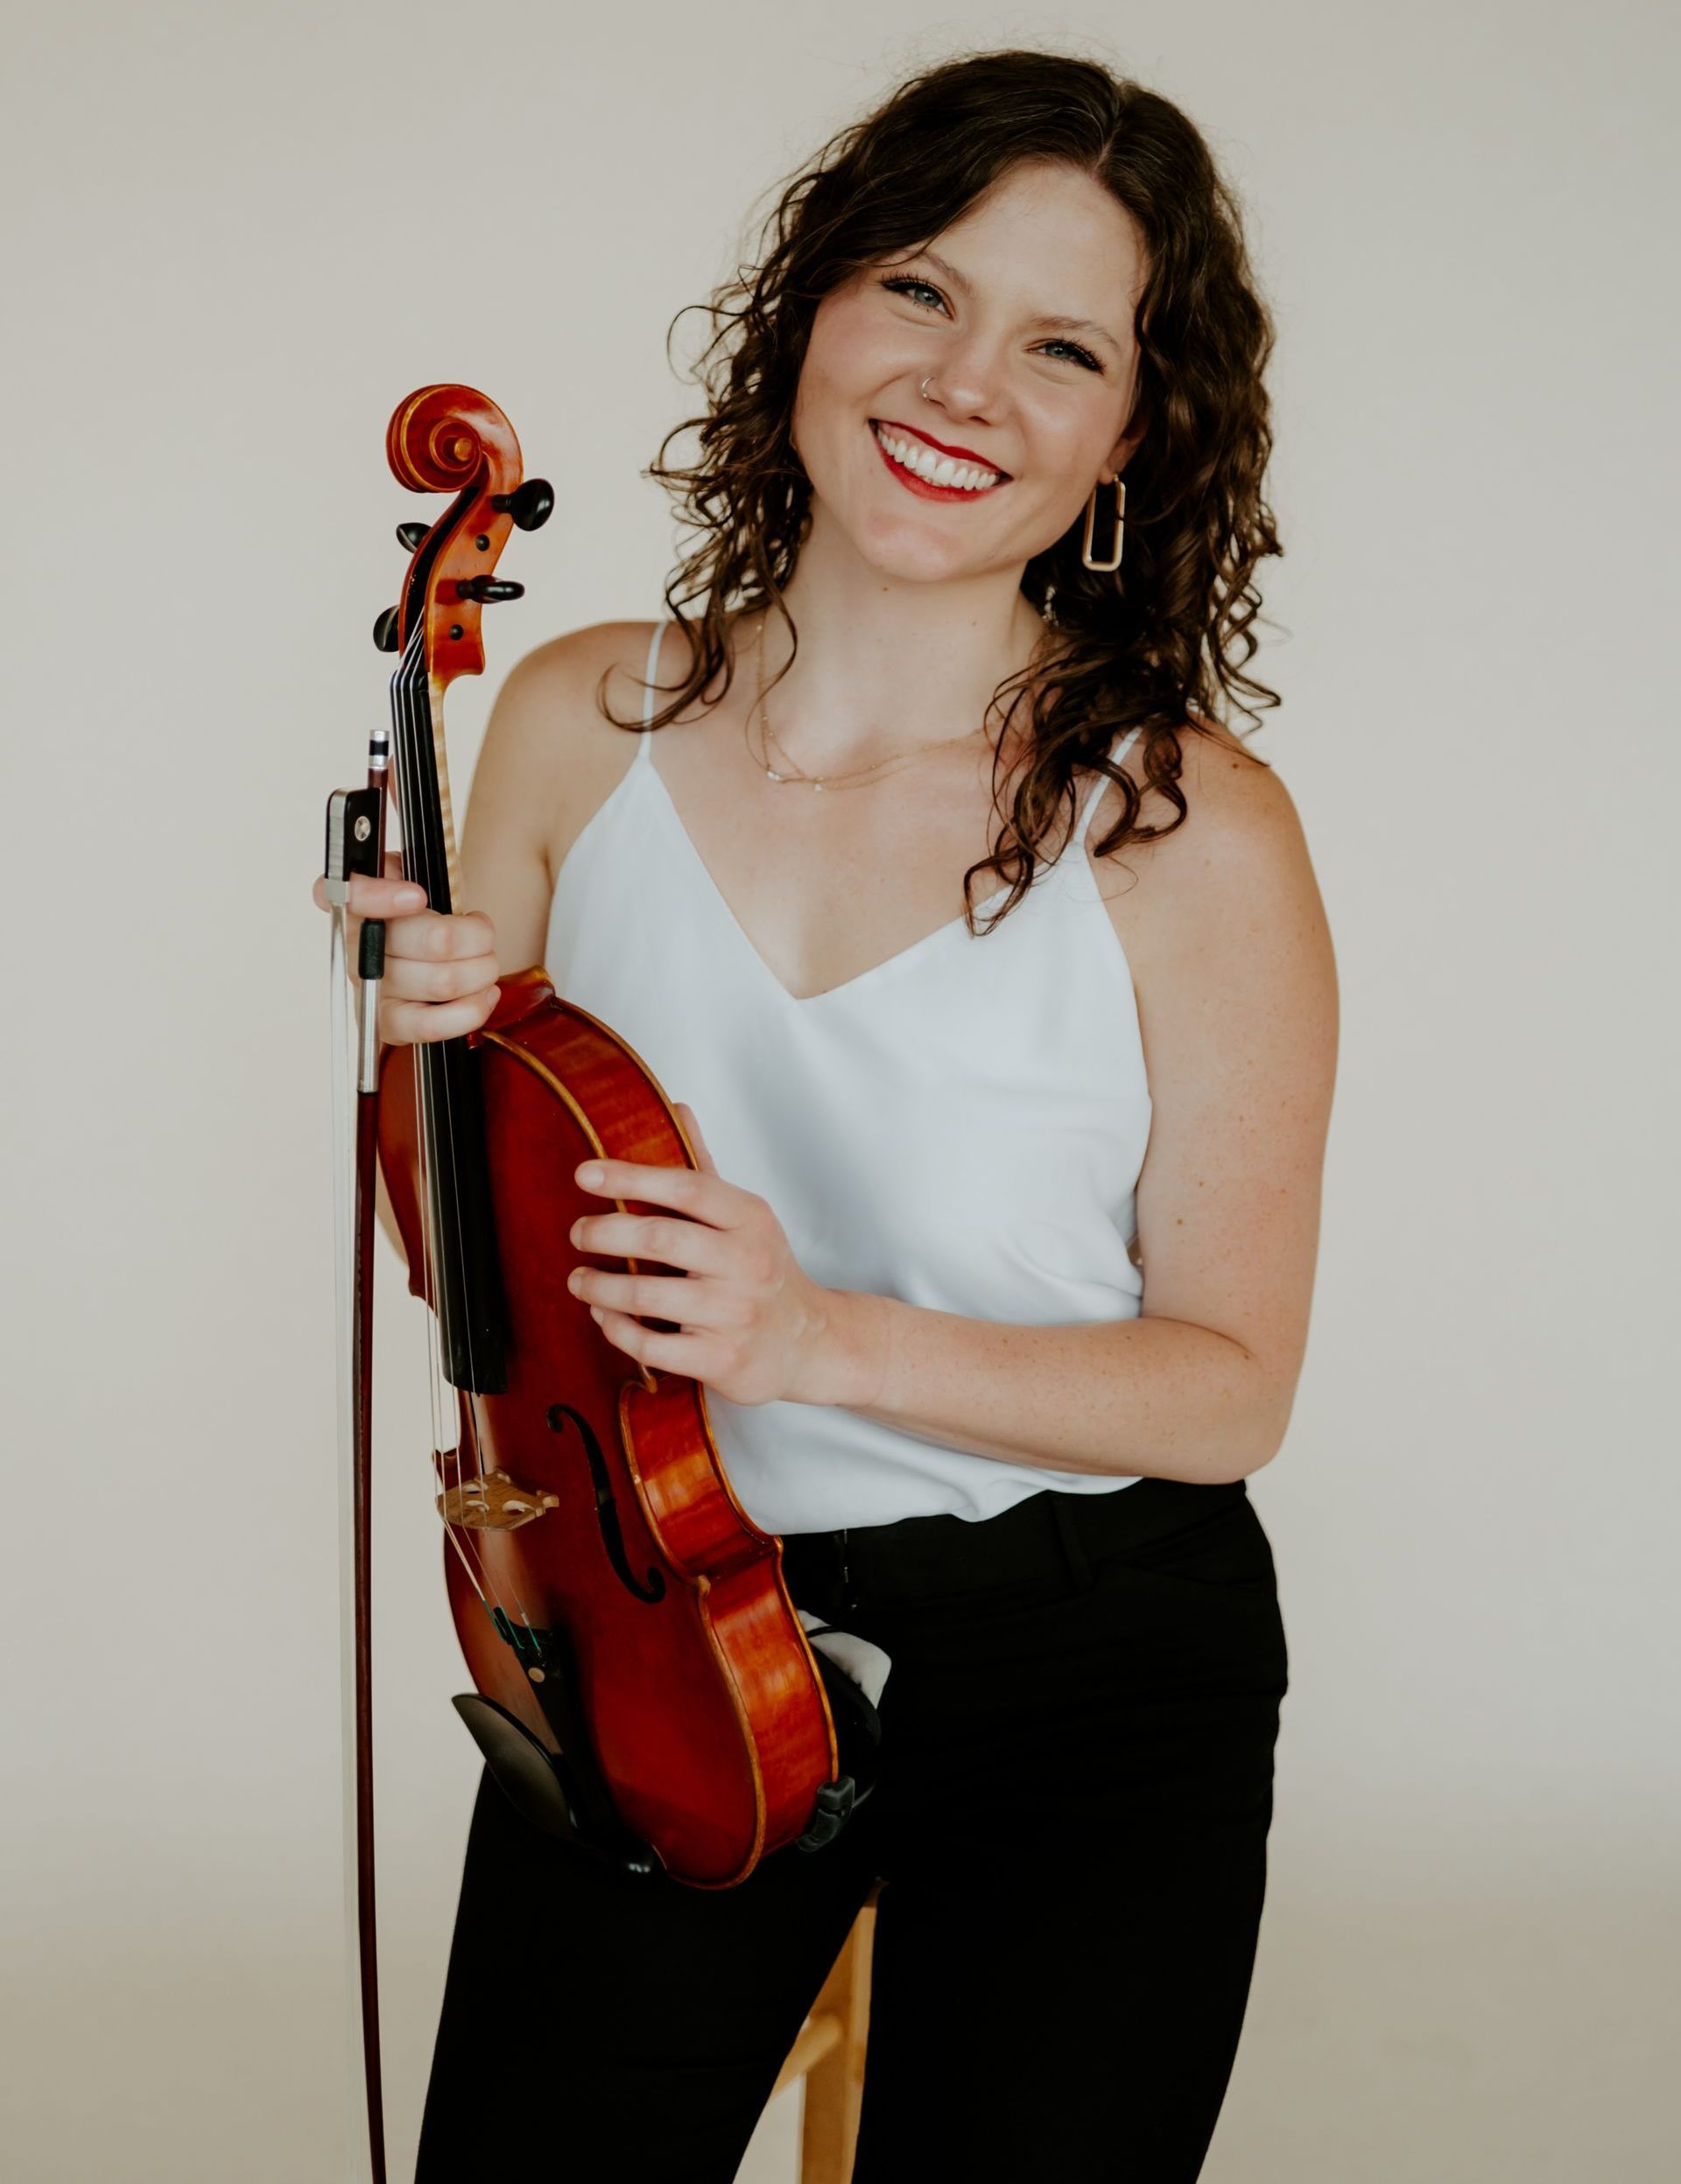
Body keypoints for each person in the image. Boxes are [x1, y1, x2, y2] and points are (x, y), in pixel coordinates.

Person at [315, 46, 1338, 2183]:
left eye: (1062, 347)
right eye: (921, 291)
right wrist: (415, 1045)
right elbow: (471, 1253)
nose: (968, 383)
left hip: (1085, 1666)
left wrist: (815, 1340)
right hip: (653, 1621)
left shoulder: (1187, 829)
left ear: (1129, 437)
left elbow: (1230, 1392)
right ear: (813, 311)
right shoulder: (582, 713)